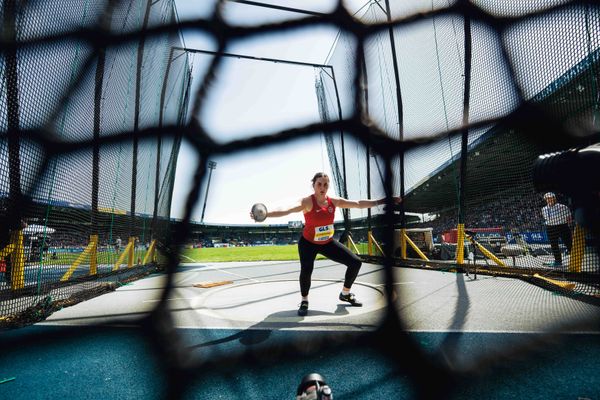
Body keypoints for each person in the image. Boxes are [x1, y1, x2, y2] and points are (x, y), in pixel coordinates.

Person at [250, 172, 402, 316]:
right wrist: (266, 214)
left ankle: (345, 294)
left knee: (355, 262)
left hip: (327, 243)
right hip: (308, 244)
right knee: (306, 271)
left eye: (325, 185)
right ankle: (304, 301)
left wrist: (383, 200)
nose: (322, 188)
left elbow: (357, 203)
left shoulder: (333, 201)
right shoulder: (307, 202)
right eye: (319, 184)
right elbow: (287, 209)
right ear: (314, 186)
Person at [541, 192, 572, 267]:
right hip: (550, 227)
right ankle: (558, 262)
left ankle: (575, 259)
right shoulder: (544, 209)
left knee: (568, 243)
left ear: (554, 198)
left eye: (550, 198)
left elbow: (569, 219)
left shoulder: (563, 207)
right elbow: (546, 219)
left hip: (562, 226)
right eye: (547, 198)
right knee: (554, 245)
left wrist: (570, 227)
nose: (549, 200)